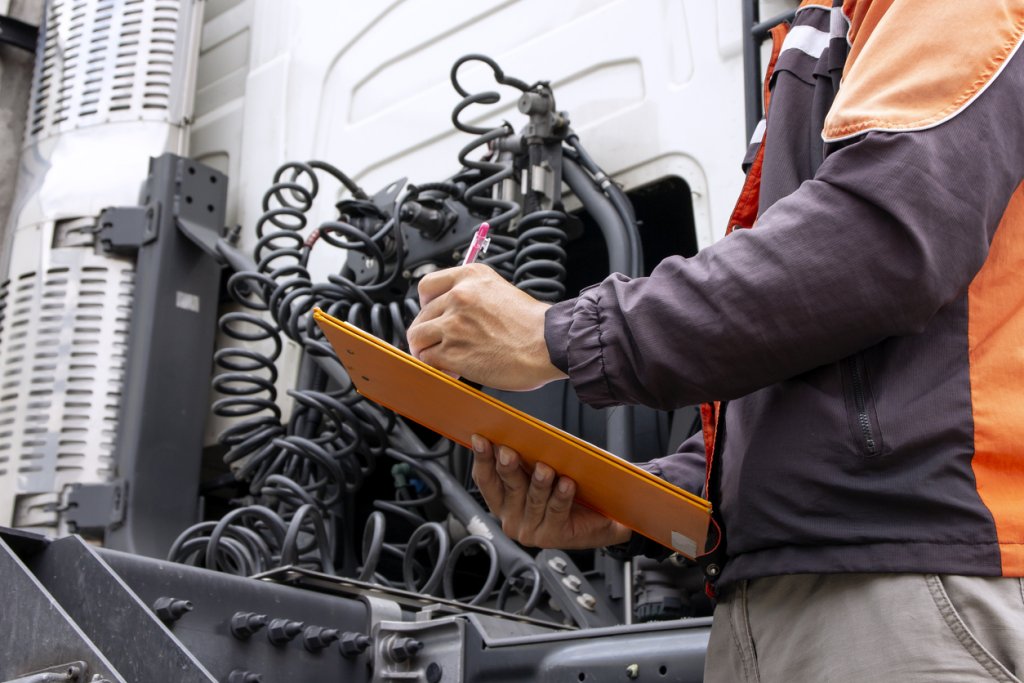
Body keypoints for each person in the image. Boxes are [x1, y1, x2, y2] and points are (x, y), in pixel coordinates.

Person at [407, 0, 1024, 680]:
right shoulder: (822, 27)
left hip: (905, 577)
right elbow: (814, 357)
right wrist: (637, 500)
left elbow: (878, 243)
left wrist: (555, 335)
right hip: (788, 590)